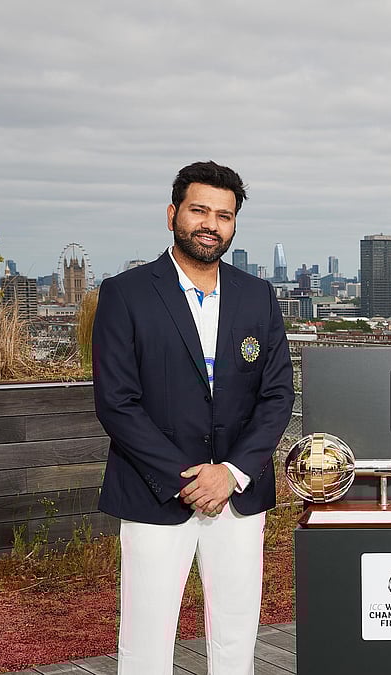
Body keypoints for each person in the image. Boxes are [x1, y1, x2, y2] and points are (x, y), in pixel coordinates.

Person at [92, 161, 294, 674]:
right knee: (146, 638)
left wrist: (230, 472)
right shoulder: (126, 293)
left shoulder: (258, 296)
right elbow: (117, 401)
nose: (210, 224)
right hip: (156, 491)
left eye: (223, 215)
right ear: (172, 214)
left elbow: (276, 397)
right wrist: (186, 478)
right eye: (199, 209)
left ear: (233, 226)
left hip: (238, 494)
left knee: (236, 633)